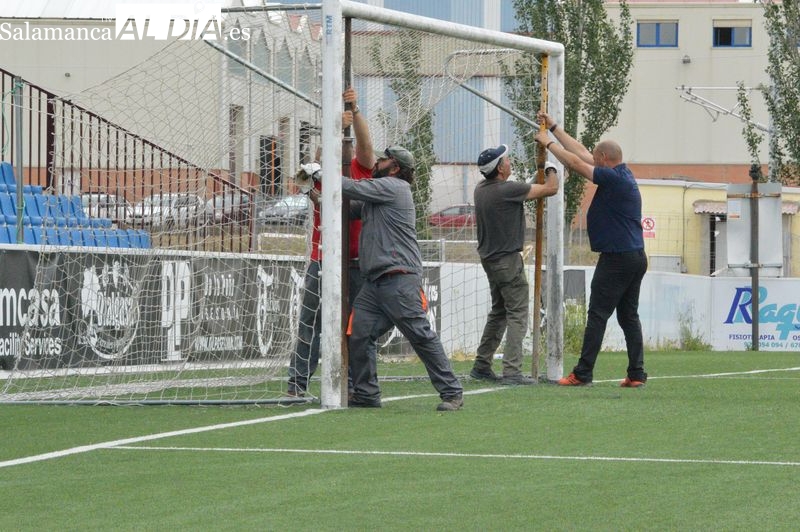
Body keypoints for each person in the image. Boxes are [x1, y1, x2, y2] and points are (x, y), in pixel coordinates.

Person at [342, 145, 464, 411]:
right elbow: (347, 203)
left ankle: (452, 392)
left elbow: (350, 188)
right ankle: (366, 394)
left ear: (395, 168)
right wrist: (314, 192)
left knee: (420, 335)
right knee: (359, 335)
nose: (377, 162)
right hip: (375, 283)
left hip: (399, 278)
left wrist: (322, 173)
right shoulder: (379, 194)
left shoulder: (394, 187)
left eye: (383, 159)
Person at [535, 111, 648, 388]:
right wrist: (554, 128)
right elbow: (583, 153)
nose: (593, 163)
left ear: (605, 161)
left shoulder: (614, 179)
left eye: (597, 161)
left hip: (618, 258)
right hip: (635, 256)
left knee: (598, 314)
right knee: (628, 316)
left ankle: (583, 373)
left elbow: (575, 161)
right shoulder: (621, 172)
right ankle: (636, 374)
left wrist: (547, 143)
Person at [286, 88, 375, 397]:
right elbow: (310, 171)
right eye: (342, 142)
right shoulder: (324, 173)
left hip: (357, 262)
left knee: (358, 326)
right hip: (322, 259)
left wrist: (356, 110)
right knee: (310, 324)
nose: (347, 146)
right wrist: (335, 127)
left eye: (348, 142)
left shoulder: (363, 171)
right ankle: (297, 385)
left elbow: (367, 148)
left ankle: (356, 386)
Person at [470, 145, 559, 386]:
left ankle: (482, 365)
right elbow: (551, 188)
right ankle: (512, 371)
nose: (510, 163)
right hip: (508, 262)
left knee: (498, 312)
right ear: (500, 168)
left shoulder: (482, 189)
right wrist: (551, 166)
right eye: (507, 160)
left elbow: (524, 191)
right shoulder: (507, 190)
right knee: (518, 314)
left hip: (490, 260)